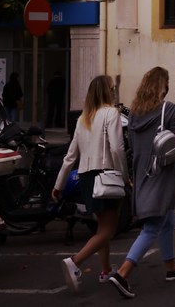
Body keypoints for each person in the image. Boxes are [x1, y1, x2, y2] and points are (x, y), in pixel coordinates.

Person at [109, 67, 175, 299]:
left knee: (168, 216)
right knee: (153, 225)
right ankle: (123, 272)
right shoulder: (169, 109)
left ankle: (171, 266)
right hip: (162, 173)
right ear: (162, 86)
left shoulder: (134, 113)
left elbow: (131, 146)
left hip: (143, 171)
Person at [53, 75, 127, 292]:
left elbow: (70, 156)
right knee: (108, 230)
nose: (114, 92)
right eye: (112, 89)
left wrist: (59, 184)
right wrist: (123, 175)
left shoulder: (83, 118)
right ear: (106, 91)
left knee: (101, 226)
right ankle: (75, 261)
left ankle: (105, 270)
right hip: (105, 174)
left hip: (86, 177)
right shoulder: (111, 113)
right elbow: (116, 149)